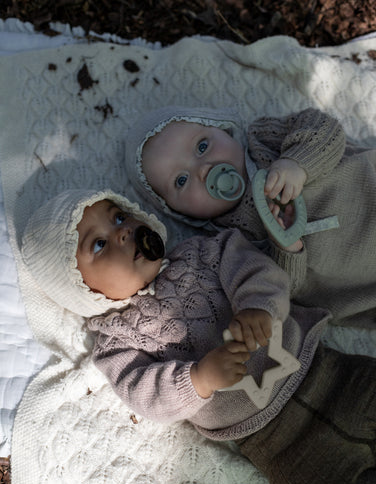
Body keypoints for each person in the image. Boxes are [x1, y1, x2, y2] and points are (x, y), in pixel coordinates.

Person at [21, 187, 376, 484]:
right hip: (279, 446)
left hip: (331, 374)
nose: (122, 232)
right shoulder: (117, 343)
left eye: (119, 217)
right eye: (98, 244)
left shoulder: (205, 252)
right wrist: (198, 380)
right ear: (79, 289)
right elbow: (146, 395)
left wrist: (257, 307)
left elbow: (256, 270)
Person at [124, 105, 376, 329]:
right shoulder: (228, 245)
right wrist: (286, 247)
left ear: (224, 130)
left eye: (202, 146)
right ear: (178, 212)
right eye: (181, 180)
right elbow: (283, 288)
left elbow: (325, 129)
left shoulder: (262, 142)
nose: (203, 170)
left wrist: (296, 163)